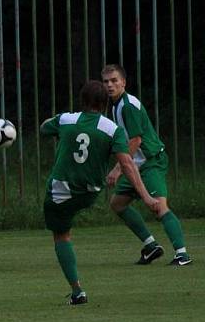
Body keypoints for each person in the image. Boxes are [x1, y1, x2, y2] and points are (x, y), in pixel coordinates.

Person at [41, 80, 161, 304]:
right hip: (89, 192)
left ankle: (77, 291)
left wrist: (58, 122)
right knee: (69, 223)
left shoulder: (67, 119)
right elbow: (127, 164)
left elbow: (44, 127)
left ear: (82, 101)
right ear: (105, 104)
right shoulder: (112, 129)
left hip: (61, 192)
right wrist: (145, 196)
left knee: (62, 235)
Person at [101, 64, 192, 266]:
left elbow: (136, 141)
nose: (110, 85)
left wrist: (118, 169)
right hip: (136, 164)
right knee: (117, 203)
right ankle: (151, 246)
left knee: (159, 206)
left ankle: (182, 254)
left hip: (150, 161)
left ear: (123, 82)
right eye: (106, 81)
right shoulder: (115, 105)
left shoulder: (127, 105)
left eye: (114, 80)